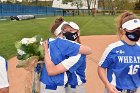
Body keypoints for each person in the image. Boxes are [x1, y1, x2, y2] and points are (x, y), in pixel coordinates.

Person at [40, 17, 92, 93]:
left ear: (78, 32)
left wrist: (46, 53)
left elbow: (88, 50)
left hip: (75, 87)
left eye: (71, 31)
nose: (67, 33)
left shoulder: (78, 54)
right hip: (62, 86)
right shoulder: (59, 45)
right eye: (65, 31)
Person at [97, 11, 140, 93]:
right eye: (133, 29)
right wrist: (107, 85)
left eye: (138, 29)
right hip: (116, 90)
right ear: (123, 31)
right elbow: (101, 67)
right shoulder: (113, 48)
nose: (137, 32)